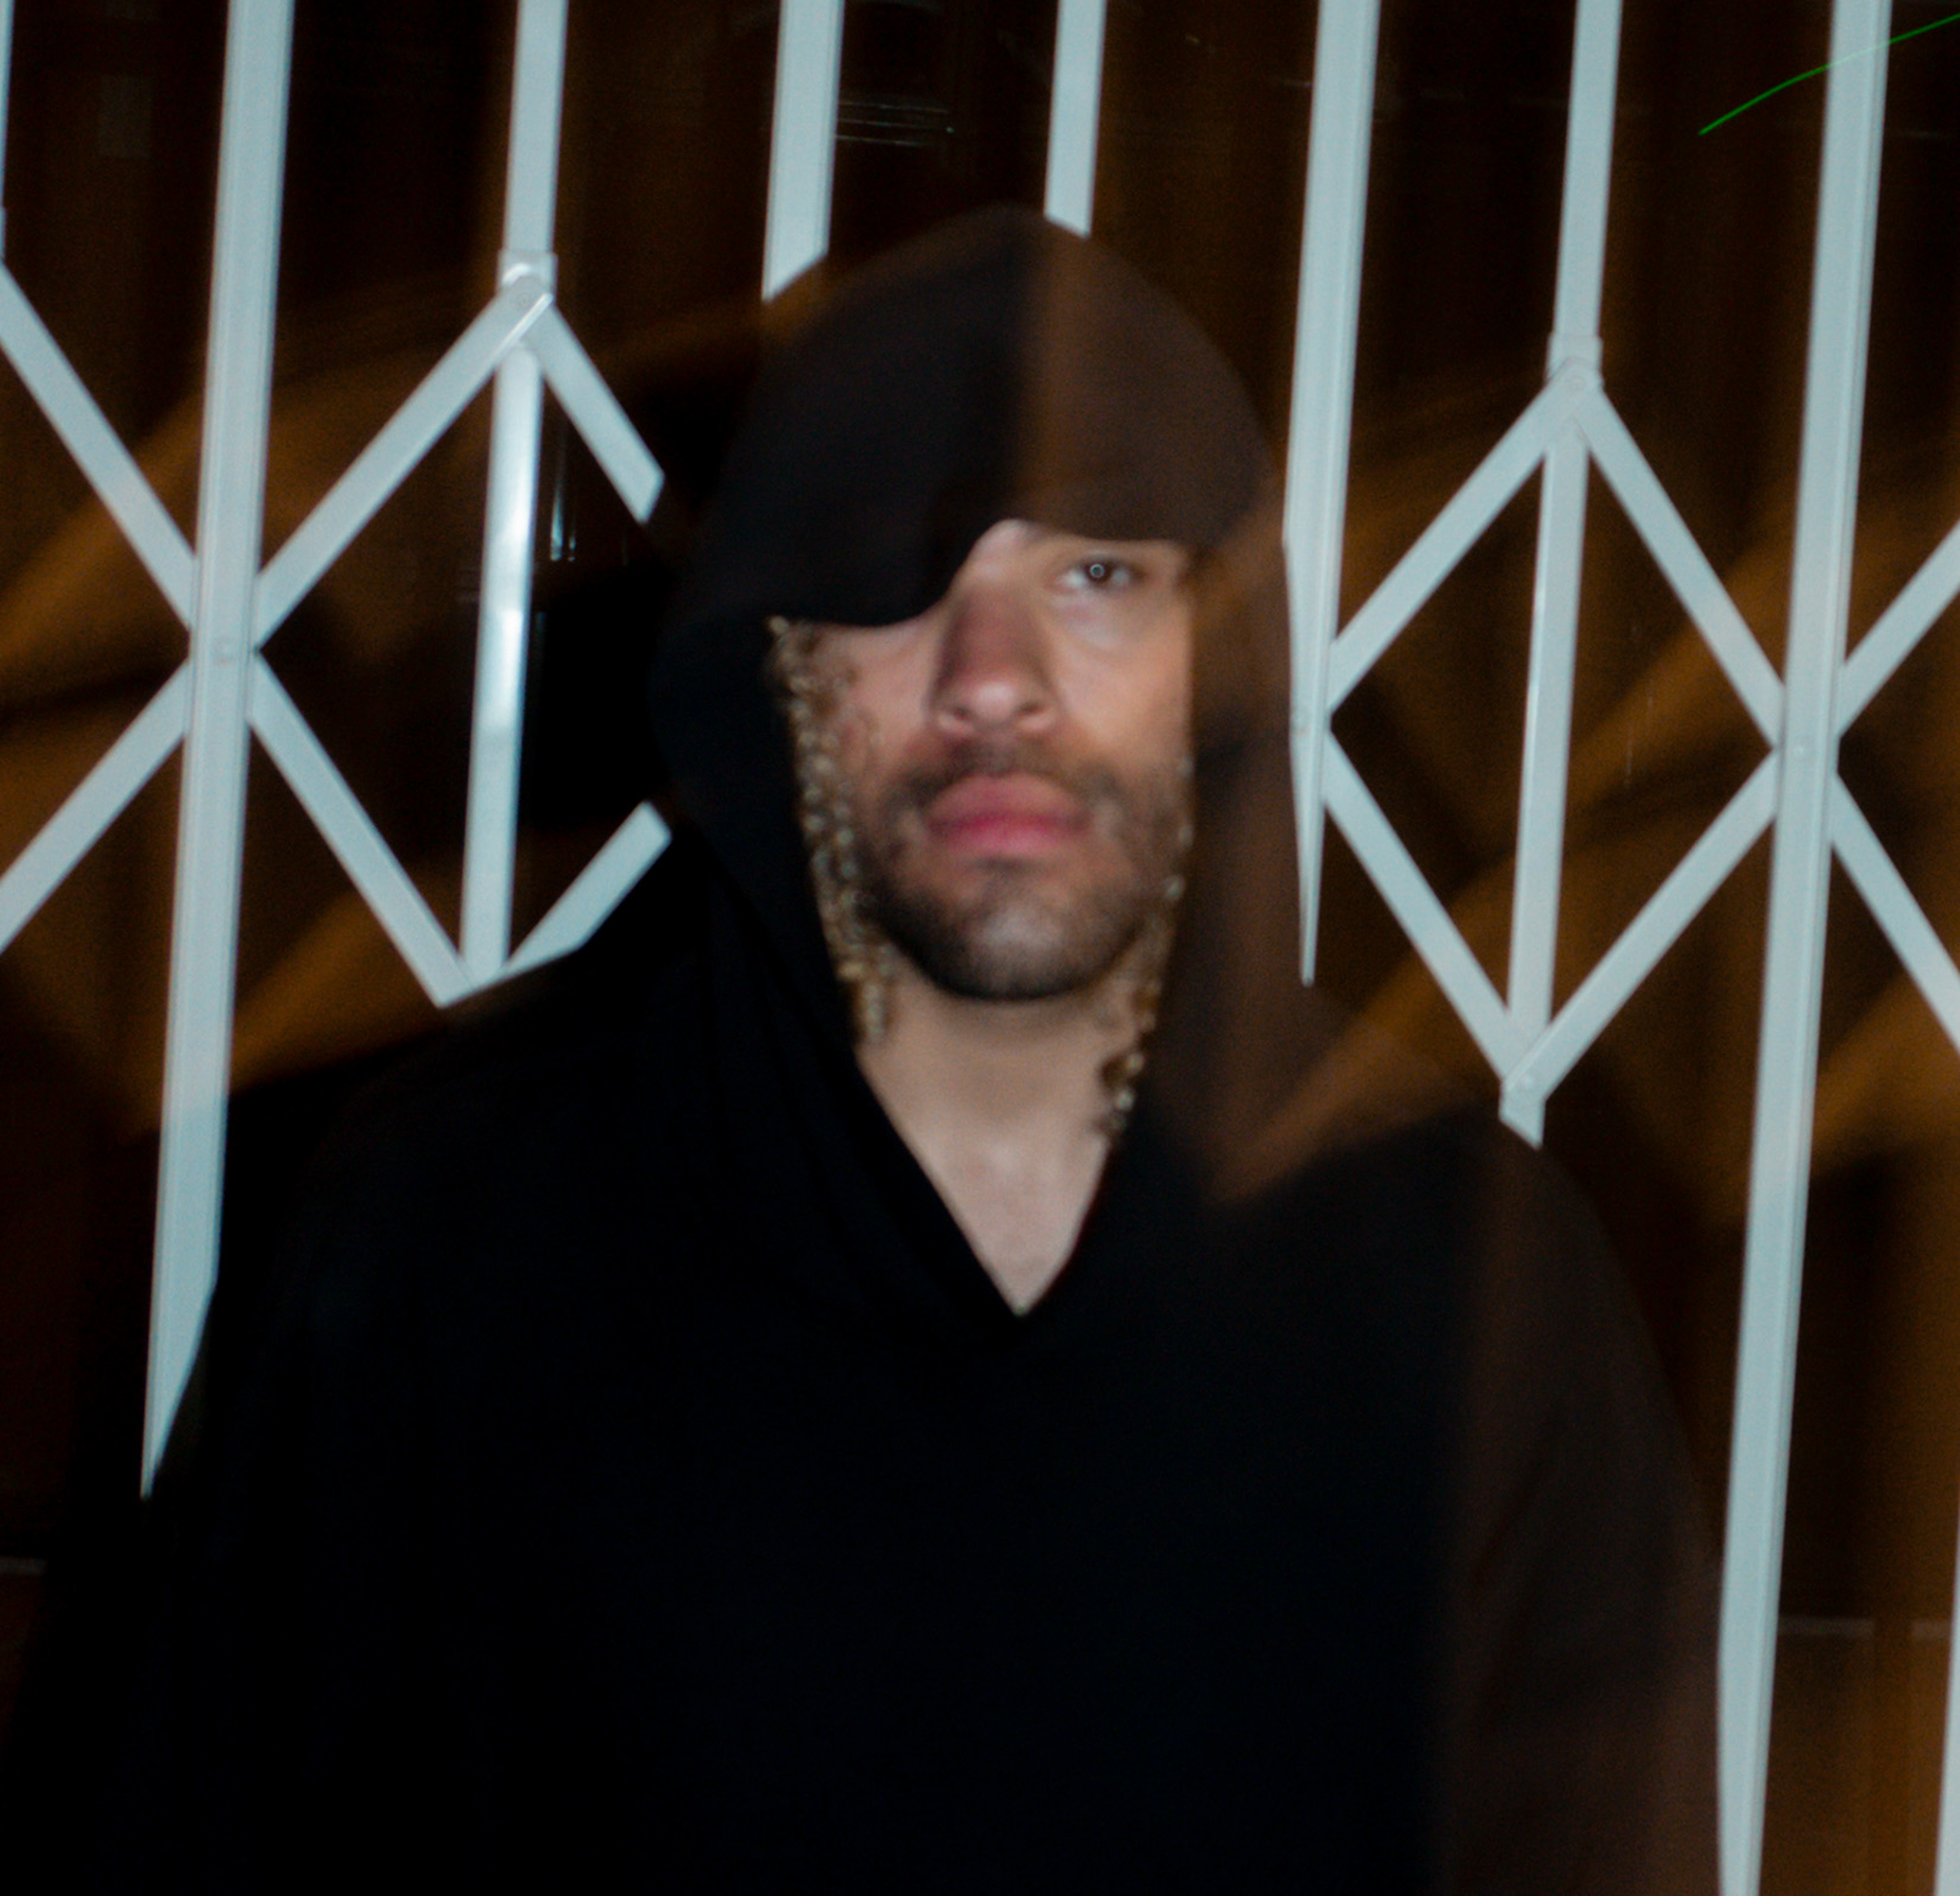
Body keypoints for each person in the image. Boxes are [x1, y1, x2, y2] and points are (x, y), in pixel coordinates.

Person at [91, 207, 1715, 1891]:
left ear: (1211, 664)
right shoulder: (450, 1248)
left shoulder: (1471, 1291)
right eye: (892, 580)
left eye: (1095, 573)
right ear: (780, 671)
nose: (993, 679)